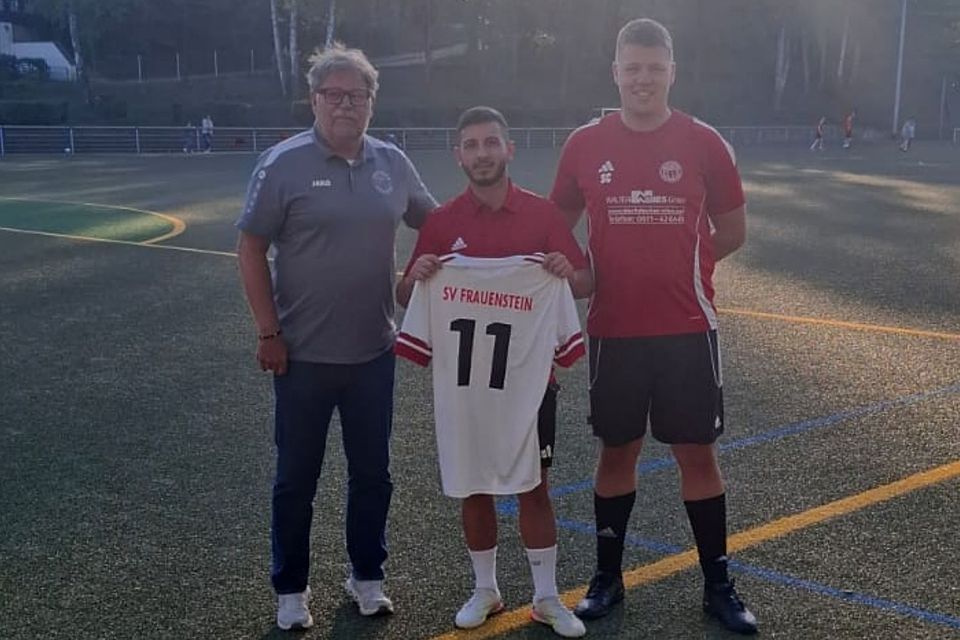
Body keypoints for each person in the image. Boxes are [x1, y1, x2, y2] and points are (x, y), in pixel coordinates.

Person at [550, 19, 757, 635]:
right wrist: (586, 273)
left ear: (672, 71)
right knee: (618, 451)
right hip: (614, 329)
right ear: (615, 72)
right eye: (632, 68)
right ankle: (606, 579)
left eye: (654, 67)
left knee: (697, 453)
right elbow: (558, 227)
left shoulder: (703, 142)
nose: (643, 79)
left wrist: (685, 266)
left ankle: (718, 584)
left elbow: (735, 229)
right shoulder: (585, 144)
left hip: (689, 327)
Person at [235, 42, 437, 631]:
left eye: (359, 95)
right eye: (335, 94)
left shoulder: (392, 163)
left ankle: (367, 577)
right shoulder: (283, 164)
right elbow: (249, 249)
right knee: (296, 477)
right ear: (315, 99)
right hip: (300, 356)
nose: (346, 105)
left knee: (373, 474)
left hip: (375, 351)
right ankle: (291, 590)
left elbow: (439, 223)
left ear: (372, 103)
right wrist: (268, 332)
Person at [395, 106, 592, 638]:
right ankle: (486, 588)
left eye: (491, 143)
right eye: (472, 145)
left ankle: (547, 597)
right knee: (473, 484)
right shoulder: (441, 224)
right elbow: (407, 298)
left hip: (530, 385)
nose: (482, 153)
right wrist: (414, 277)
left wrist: (564, 273)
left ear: (509, 149)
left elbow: (585, 279)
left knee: (535, 485)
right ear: (459, 155)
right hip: (464, 386)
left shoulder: (543, 215)